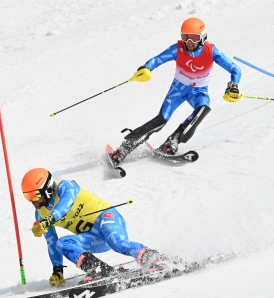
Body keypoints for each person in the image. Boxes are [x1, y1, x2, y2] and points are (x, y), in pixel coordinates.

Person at [111, 17, 242, 164]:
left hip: (198, 92)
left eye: (194, 37)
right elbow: (157, 59)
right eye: (185, 37)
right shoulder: (178, 48)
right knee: (161, 120)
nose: (189, 42)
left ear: (203, 37)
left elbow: (235, 69)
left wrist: (234, 86)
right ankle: (124, 148)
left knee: (203, 109)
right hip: (177, 90)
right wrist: (146, 67)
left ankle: (173, 141)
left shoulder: (211, 51)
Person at [21, 167, 166, 286]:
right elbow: (51, 242)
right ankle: (98, 270)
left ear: (46, 189)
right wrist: (57, 270)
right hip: (93, 237)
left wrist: (49, 220)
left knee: (118, 244)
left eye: (34, 195)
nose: (31, 201)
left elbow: (66, 204)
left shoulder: (65, 187)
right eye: (27, 197)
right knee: (62, 243)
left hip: (107, 218)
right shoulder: (40, 214)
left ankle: (153, 258)